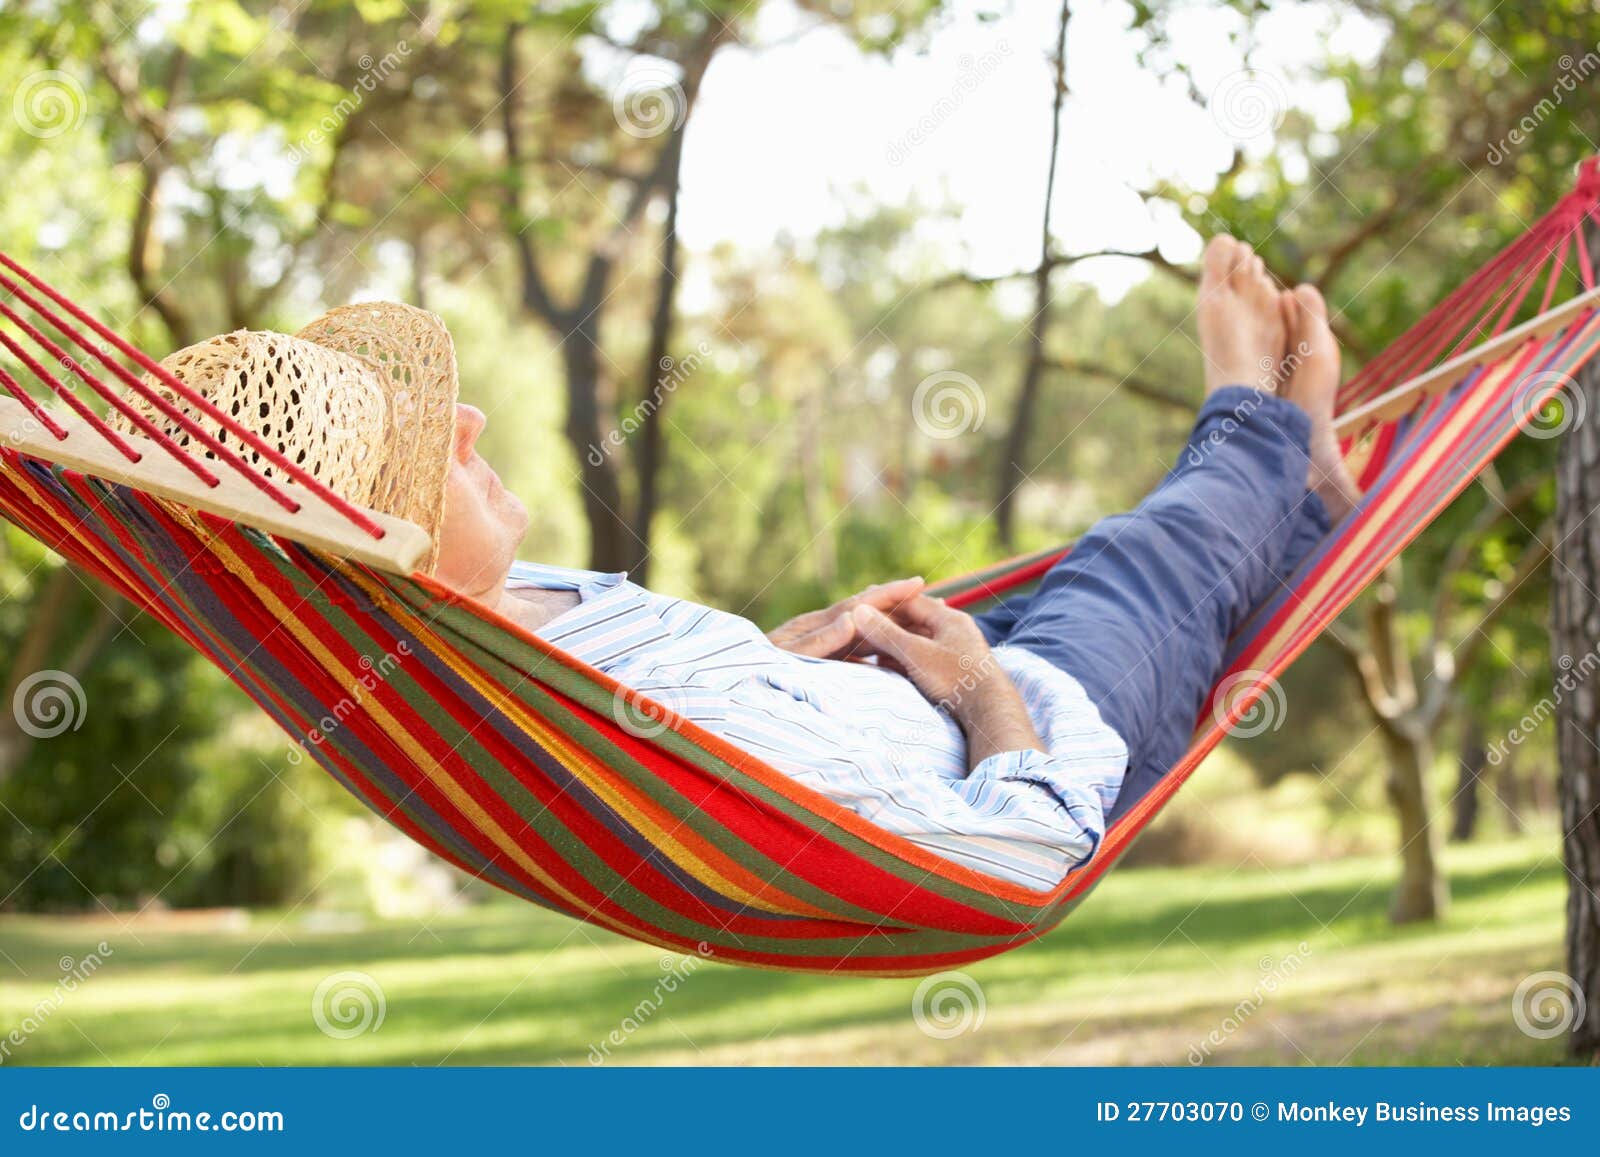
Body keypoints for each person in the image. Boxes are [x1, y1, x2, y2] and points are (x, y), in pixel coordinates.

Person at [144, 236, 1360, 891]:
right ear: (384, 551)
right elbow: (1022, 853)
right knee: (1137, 564)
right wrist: (984, 685)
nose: (467, 427)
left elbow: (701, 726)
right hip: (1042, 732)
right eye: (423, 456)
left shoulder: (525, 639)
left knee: (1146, 570)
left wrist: (785, 649)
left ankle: (1308, 499)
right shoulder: (525, 703)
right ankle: (1260, 418)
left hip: (906, 687)